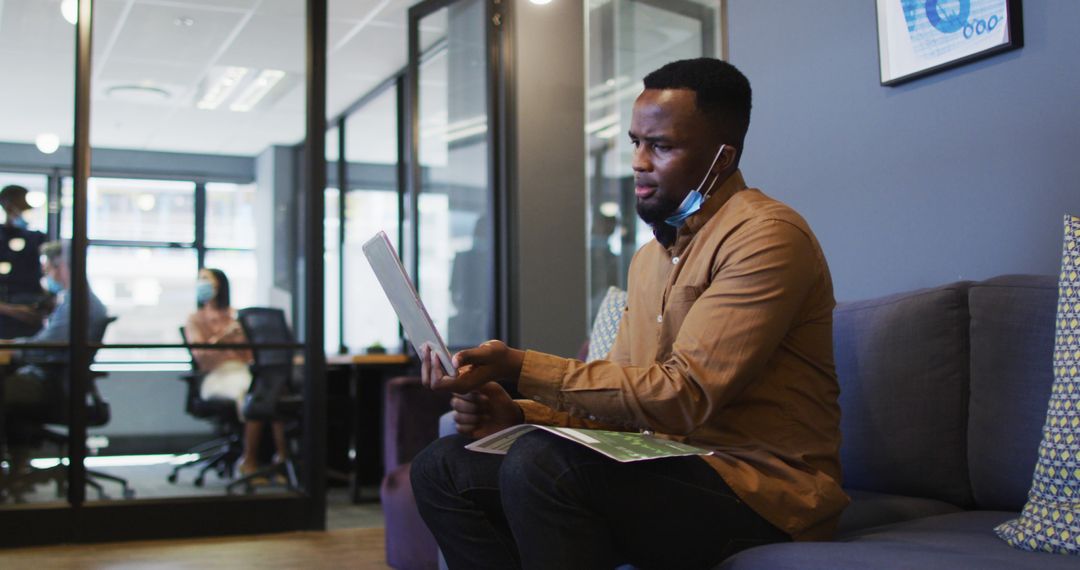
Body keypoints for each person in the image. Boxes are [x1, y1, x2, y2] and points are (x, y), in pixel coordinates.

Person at [411, 58, 848, 569]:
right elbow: (615, 409)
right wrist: (518, 413)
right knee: (442, 468)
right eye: (635, 142)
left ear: (721, 158)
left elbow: (683, 397)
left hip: (760, 487)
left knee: (544, 467)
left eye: (660, 146)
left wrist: (518, 368)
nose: (638, 162)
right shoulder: (650, 260)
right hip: (665, 464)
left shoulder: (766, 237)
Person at [184, 268, 287, 480]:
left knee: (275, 388)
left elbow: (251, 354)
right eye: (200, 279)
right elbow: (201, 356)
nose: (201, 283)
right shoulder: (195, 319)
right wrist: (224, 336)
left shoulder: (238, 316)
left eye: (206, 279)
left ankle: (281, 458)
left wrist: (242, 337)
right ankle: (248, 460)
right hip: (215, 376)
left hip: (244, 370)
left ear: (220, 285)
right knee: (248, 391)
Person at [3, 240, 108, 421]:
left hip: (49, 383)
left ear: (62, 267)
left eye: (47, 268)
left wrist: (12, 349)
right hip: (49, 378)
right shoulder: (72, 301)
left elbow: (46, 348)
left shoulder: (79, 304)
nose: (45, 274)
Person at [0, 185, 49, 339]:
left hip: (30, 318)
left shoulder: (34, 238)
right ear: (8, 206)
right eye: (21, 208)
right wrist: (10, 310)